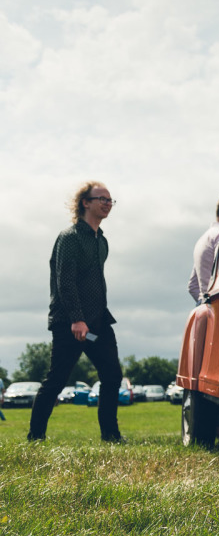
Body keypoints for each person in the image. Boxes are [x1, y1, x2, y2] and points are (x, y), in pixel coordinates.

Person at [28, 182, 124, 442]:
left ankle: (111, 435)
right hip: (70, 323)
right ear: (85, 202)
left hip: (98, 322)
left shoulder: (101, 241)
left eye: (110, 200)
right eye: (101, 198)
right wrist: (77, 319)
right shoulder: (69, 237)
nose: (107, 203)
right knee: (57, 380)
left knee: (113, 375)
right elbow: (65, 281)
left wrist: (91, 319)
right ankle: (35, 438)